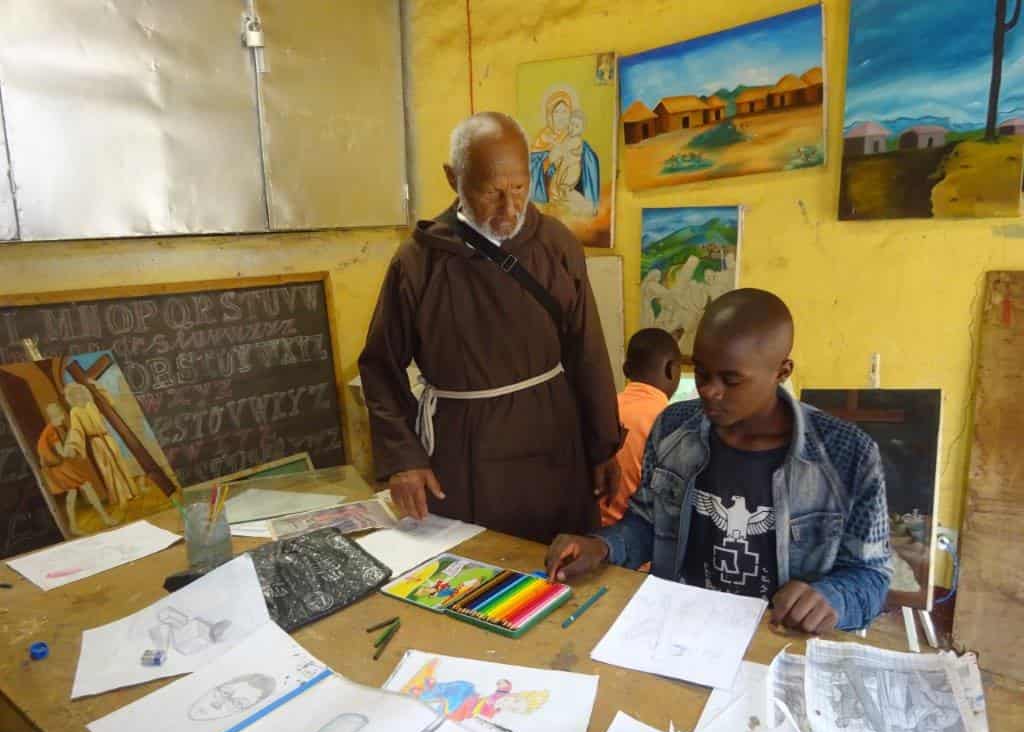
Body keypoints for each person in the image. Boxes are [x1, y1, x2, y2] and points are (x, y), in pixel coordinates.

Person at [546, 289, 892, 633]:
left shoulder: (848, 456)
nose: (709, 391)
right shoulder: (672, 428)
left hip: (775, 641)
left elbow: (871, 576)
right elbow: (647, 525)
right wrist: (603, 545)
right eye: (700, 373)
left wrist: (832, 597)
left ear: (782, 371)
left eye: (731, 379)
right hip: (680, 630)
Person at [359, 112, 621, 543]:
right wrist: (404, 458)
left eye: (519, 188)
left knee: (559, 569)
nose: (510, 208)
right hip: (463, 451)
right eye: (491, 192)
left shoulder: (556, 245)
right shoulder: (419, 261)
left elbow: (587, 351)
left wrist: (604, 447)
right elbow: (380, 365)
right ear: (453, 179)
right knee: (472, 572)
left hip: (552, 443)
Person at [599, 329, 683, 526]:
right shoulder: (671, 424)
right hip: (638, 548)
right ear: (672, 369)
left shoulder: (602, 411)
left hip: (588, 540)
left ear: (626, 370)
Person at [37, 402, 114, 535]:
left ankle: (73, 526)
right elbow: (63, 453)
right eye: (61, 416)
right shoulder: (52, 431)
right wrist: (72, 442)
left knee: (72, 493)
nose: (63, 419)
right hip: (60, 467)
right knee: (87, 486)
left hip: (56, 468)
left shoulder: (48, 429)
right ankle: (105, 519)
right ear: (58, 415)